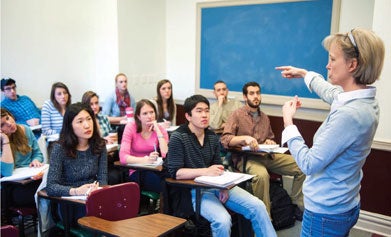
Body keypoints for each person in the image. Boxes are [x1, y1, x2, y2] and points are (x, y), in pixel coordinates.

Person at [275, 28, 385, 236]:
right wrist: (304, 73)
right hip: (345, 204)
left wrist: (288, 121)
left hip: (325, 214)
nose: (327, 65)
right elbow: (331, 92)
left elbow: (308, 163)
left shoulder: (349, 115)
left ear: (352, 65)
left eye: (333, 59)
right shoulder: (365, 101)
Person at [166, 94, 276, 237]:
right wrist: (206, 171)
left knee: (258, 206)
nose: (204, 115)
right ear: (188, 116)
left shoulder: (212, 136)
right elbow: (176, 173)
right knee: (223, 220)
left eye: (207, 110)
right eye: (199, 111)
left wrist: (223, 187)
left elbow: (218, 166)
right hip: (194, 191)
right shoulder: (178, 137)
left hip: (216, 186)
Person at [220, 81, 305, 215]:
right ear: (245, 96)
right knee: (261, 175)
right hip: (247, 158)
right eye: (252, 93)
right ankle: (265, 217)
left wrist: (270, 141)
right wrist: (244, 138)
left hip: (266, 155)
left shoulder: (264, 117)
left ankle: (295, 205)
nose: (256, 96)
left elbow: (269, 137)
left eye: (258, 93)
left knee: (302, 165)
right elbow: (225, 139)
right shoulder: (237, 114)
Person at [46, 102, 107, 226]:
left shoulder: (99, 145)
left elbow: (103, 179)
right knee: (97, 222)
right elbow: (51, 187)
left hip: (93, 197)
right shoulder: (60, 149)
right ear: (70, 126)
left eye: (89, 119)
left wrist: (96, 191)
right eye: (80, 121)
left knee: (116, 212)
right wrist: (76, 191)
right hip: (69, 203)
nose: (87, 125)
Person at [119, 99, 168, 193]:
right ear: (138, 116)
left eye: (152, 112)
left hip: (156, 169)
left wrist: (158, 130)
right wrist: (146, 160)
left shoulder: (160, 129)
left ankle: (166, 207)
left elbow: (166, 155)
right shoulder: (131, 127)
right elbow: (123, 158)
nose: (150, 116)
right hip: (136, 171)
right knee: (164, 185)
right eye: (145, 113)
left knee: (171, 182)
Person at [0, 108, 44, 209]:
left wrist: (35, 160)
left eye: (8, 118)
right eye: (2, 124)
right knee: (44, 192)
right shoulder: (2, 141)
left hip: (30, 179)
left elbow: (37, 153)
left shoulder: (25, 129)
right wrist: (5, 140)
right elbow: (6, 172)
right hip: (10, 187)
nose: (9, 123)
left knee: (53, 186)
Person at [82, 91, 122, 185]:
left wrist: (113, 141)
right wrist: (103, 140)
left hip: (109, 156)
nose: (95, 106)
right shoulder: (85, 123)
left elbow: (110, 136)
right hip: (93, 160)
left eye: (96, 103)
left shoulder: (103, 118)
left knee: (123, 172)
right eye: (91, 104)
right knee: (113, 177)